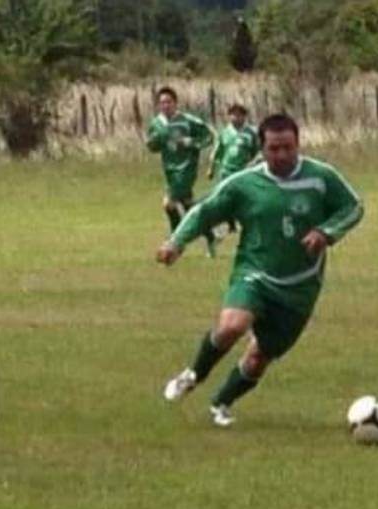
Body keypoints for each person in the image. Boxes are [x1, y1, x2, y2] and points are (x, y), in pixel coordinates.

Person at [156, 113, 364, 427]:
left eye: (288, 148)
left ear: (298, 144)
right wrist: (176, 242)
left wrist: (326, 232)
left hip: (301, 286)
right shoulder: (244, 184)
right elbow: (204, 212)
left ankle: (221, 403)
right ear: (261, 149)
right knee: (232, 326)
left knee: (258, 358)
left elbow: (354, 207)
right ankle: (193, 374)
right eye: (273, 149)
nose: (281, 155)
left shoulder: (321, 177)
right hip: (254, 273)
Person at [145, 86, 218, 256]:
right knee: (189, 207)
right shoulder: (157, 123)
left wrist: (191, 142)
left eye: (169, 102)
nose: (165, 105)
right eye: (162, 103)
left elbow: (209, 136)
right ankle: (210, 236)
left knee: (168, 203)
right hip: (170, 170)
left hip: (186, 169)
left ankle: (176, 241)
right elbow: (151, 146)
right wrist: (155, 141)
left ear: (175, 103)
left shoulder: (187, 120)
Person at [207, 103, 260, 234]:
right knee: (225, 198)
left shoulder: (251, 133)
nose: (235, 117)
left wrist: (253, 163)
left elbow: (259, 151)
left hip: (243, 171)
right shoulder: (224, 132)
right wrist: (211, 168)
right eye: (233, 114)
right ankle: (231, 225)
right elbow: (216, 151)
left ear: (244, 116)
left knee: (244, 198)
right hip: (226, 171)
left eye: (238, 115)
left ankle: (246, 222)